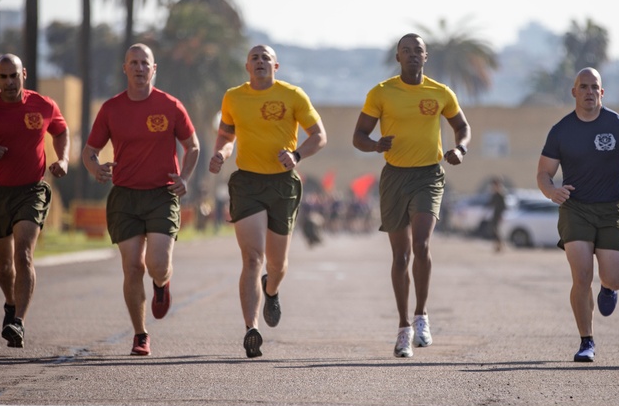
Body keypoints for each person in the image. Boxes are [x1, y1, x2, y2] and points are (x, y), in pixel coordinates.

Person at [352, 33, 471, 358]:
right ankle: (403, 328)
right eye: (406, 50)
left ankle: (421, 317)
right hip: (394, 177)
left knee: (421, 244)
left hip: (429, 175)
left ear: (426, 55)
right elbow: (358, 136)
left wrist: (460, 148)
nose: (412, 54)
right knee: (401, 256)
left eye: (418, 49)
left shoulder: (440, 92)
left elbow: (462, 126)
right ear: (398, 57)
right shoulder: (382, 92)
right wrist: (376, 144)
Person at [209, 44, 327, 359]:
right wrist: (221, 153)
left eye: (266, 58)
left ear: (277, 65)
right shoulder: (233, 97)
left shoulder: (294, 96)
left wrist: (297, 154)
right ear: (247, 66)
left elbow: (319, 135)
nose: (260, 61)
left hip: (283, 184)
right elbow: (226, 135)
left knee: (277, 264)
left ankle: (271, 289)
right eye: (254, 57)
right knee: (252, 258)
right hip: (247, 182)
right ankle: (252, 328)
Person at [83, 43, 200, 356]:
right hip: (125, 197)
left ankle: (162, 285)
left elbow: (194, 146)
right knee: (133, 268)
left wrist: (185, 178)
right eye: (132, 63)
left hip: (163, 193)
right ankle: (140, 334)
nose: (138, 68)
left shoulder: (170, 106)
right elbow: (89, 151)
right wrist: (96, 169)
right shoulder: (111, 109)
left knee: (157, 265)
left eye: (144, 63)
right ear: (125, 68)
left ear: (154, 69)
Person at [536, 67, 619, 363]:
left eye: (594, 87)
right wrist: (552, 192)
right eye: (583, 86)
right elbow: (544, 173)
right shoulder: (561, 130)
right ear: (574, 92)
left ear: (602, 92)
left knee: (615, 276)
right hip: (576, 209)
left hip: (612, 209)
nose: (589, 92)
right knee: (582, 275)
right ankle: (586, 341)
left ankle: (610, 288)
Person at [0, 53, 70, 348]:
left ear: (24, 75)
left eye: (13, 75)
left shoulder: (42, 105)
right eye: (3, 76)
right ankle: (10, 302)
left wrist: (64, 159)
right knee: (3, 265)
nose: (8, 82)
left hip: (31, 191)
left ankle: (18, 321)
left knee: (24, 256)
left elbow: (61, 130)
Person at [488, 177, 508, 252]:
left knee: (498, 231)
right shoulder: (495, 194)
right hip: (495, 214)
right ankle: (497, 246)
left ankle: (500, 246)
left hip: (499, 215)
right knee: (494, 230)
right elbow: (490, 203)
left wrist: (501, 215)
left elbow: (503, 206)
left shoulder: (501, 195)